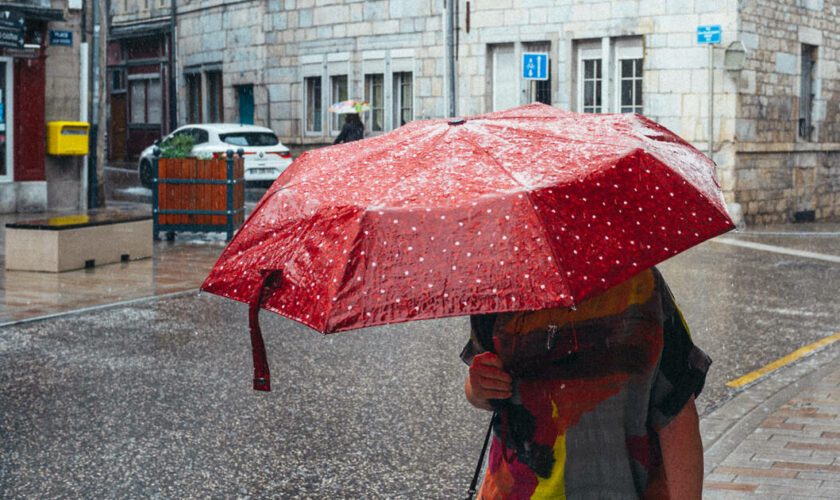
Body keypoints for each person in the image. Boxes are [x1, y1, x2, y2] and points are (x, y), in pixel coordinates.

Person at [462, 267, 710, 499]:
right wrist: (478, 387)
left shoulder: (641, 286)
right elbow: (481, 392)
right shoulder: (498, 288)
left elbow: (676, 414)